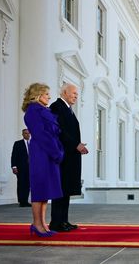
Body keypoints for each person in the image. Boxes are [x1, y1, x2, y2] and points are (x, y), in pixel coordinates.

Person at [22, 83, 64, 237]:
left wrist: (57, 150)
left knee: (46, 190)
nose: (49, 97)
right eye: (46, 94)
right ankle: (36, 224)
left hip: (48, 151)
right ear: (37, 95)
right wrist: (56, 152)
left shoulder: (43, 110)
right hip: (41, 152)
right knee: (39, 189)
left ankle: (43, 224)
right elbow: (41, 134)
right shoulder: (33, 111)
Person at [49, 83, 89, 232]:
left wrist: (77, 145)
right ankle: (56, 222)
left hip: (70, 155)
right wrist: (75, 145)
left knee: (66, 190)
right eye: (73, 93)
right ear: (64, 93)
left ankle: (63, 221)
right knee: (60, 189)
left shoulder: (68, 109)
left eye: (77, 94)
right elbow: (59, 131)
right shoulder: (56, 107)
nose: (76, 96)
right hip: (63, 156)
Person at [11, 129, 31, 207]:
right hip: (21, 167)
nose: (27, 135)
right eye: (25, 133)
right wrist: (14, 166)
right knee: (21, 184)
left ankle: (25, 200)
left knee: (28, 184)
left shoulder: (33, 144)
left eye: (29, 133)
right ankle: (21, 201)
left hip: (30, 168)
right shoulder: (18, 143)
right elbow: (14, 155)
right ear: (22, 134)